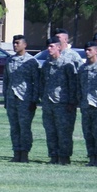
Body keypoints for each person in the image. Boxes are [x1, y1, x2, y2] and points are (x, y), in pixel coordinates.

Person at [38, 36, 79, 165]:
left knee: (64, 132)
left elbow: (73, 85)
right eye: (48, 46)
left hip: (63, 104)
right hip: (48, 103)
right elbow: (42, 82)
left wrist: (72, 102)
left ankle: (64, 157)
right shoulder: (46, 64)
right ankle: (53, 156)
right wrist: (42, 97)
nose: (48, 49)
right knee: (50, 131)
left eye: (51, 46)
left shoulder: (66, 64)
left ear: (59, 47)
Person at [2, 34, 39, 163]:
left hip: (25, 99)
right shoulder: (10, 60)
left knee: (24, 127)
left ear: (25, 45)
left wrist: (34, 100)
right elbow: (6, 80)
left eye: (18, 43)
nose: (15, 45)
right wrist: (5, 98)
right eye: (14, 43)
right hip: (11, 98)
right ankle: (16, 152)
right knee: (14, 127)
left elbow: (36, 82)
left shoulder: (31, 61)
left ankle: (25, 153)